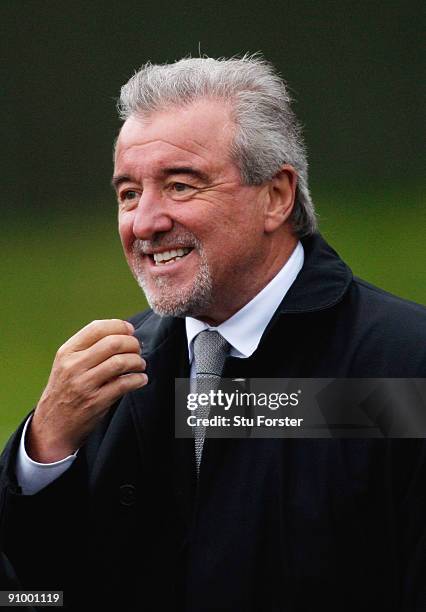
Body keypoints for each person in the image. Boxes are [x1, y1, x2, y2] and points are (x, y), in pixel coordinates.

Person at [0, 55, 425, 612]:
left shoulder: (403, 361)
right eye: (128, 194)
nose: (144, 223)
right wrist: (42, 453)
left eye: (180, 186)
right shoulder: (109, 376)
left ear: (276, 196)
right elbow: (36, 596)